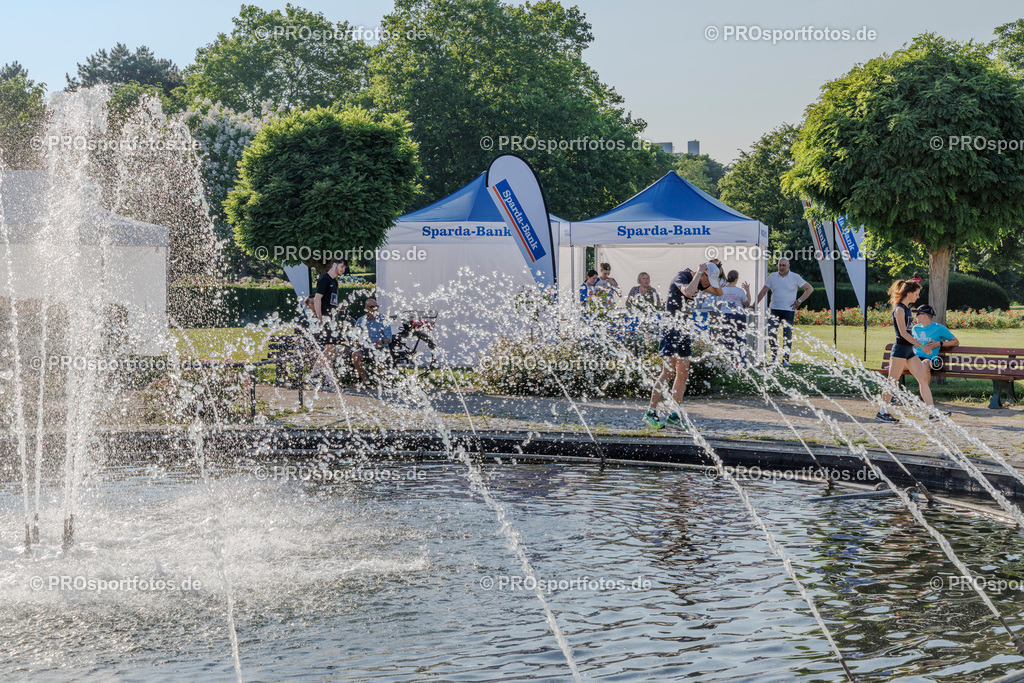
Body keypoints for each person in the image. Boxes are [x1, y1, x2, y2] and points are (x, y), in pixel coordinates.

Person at [644, 263, 722, 429]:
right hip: (671, 328)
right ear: (702, 274)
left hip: (684, 329)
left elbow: (719, 292)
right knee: (669, 370)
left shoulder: (700, 282)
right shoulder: (683, 277)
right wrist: (700, 273)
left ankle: (674, 415)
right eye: (708, 280)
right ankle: (650, 412)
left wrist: (709, 279)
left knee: (683, 372)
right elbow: (687, 292)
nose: (708, 285)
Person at [876, 281, 949, 423]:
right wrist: (922, 346)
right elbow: (903, 334)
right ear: (909, 293)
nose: (918, 296)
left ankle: (932, 413)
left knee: (922, 378)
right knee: (892, 382)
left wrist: (918, 345)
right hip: (900, 351)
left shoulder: (907, 309)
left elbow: (909, 333)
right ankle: (882, 412)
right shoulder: (899, 310)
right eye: (916, 294)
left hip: (909, 351)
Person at [755, 258, 814, 366]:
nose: (781, 267)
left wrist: (799, 301)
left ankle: (786, 360)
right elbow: (763, 291)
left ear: (788, 266)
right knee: (771, 333)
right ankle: (774, 358)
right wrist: (754, 304)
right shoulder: (772, 276)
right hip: (774, 309)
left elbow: (809, 288)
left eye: (783, 265)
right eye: (780, 265)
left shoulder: (795, 277)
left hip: (788, 310)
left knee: (787, 335)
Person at [912, 304, 959, 370]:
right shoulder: (915, 328)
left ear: (924, 316)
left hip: (930, 360)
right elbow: (911, 342)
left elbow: (956, 342)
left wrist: (939, 343)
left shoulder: (939, 328)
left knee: (925, 364)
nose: (915, 316)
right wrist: (912, 343)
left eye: (917, 314)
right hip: (915, 358)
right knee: (899, 364)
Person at [718, 270, 752, 361]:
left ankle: (728, 361)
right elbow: (748, 303)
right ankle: (740, 361)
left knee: (726, 339)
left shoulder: (722, 290)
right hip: (738, 316)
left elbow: (717, 304)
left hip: (725, 316)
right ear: (736, 279)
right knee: (740, 340)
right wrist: (747, 291)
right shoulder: (740, 291)